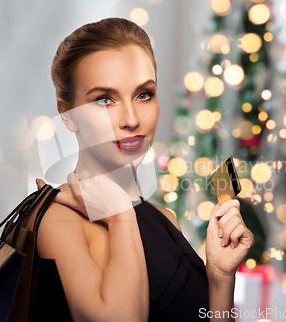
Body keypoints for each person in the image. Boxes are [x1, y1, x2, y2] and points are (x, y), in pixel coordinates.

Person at [34, 17, 255, 322]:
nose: (131, 119)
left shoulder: (165, 220)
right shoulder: (56, 220)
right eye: (104, 100)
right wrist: (121, 215)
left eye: (143, 94)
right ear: (67, 114)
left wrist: (219, 277)